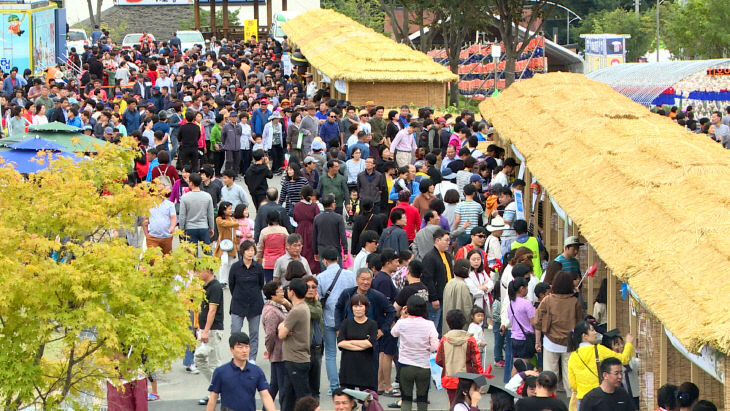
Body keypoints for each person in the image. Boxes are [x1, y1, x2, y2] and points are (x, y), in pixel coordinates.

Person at [316, 247, 356, 394]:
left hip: (329, 319)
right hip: (347, 320)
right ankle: (349, 383)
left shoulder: (320, 277)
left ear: (324, 261)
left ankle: (334, 386)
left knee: (331, 354)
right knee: (350, 351)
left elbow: (318, 299)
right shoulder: (349, 275)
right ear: (338, 259)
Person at [390, 295, 439, 411]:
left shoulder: (402, 323)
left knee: (406, 399)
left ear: (408, 308)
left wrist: (402, 317)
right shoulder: (429, 324)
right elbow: (435, 346)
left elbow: (393, 333)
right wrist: (427, 348)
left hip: (405, 365)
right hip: (423, 366)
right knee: (422, 400)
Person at [567, 321, 635, 405]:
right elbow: (624, 359)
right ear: (585, 336)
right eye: (592, 330)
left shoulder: (573, 356)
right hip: (599, 397)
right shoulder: (599, 350)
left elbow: (573, 384)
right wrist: (628, 343)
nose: (595, 332)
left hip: (582, 399)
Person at [205, 332, 277, 411]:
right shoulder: (221, 372)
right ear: (231, 349)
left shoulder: (256, 371)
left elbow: (265, 396)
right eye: (240, 347)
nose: (244, 351)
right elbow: (213, 398)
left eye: (247, 347)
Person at [436, 310, 488, 404]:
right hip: (466, 378)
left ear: (448, 323)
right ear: (464, 323)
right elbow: (476, 361)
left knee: (453, 403)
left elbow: (438, 359)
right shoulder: (470, 340)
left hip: (449, 377)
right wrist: (480, 381)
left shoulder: (444, 339)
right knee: (466, 403)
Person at [278, 278, 312, 411]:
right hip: (295, 358)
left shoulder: (296, 311)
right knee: (288, 396)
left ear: (291, 292)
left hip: (295, 358)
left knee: (303, 397)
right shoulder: (302, 307)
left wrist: (282, 326)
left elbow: (281, 334)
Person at [337, 294, 379, 391]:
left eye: (361, 306)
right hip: (348, 368)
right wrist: (362, 344)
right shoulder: (346, 323)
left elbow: (370, 344)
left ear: (366, 307)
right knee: (347, 400)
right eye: (355, 306)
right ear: (351, 308)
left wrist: (349, 342)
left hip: (366, 369)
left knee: (367, 402)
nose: (358, 309)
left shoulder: (372, 324)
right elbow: (340, 343)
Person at [194, 268, 224, 405]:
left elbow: (212, 310)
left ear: (208, 271)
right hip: (205, 329)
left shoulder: (215, 287)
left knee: (213, 363)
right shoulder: (204, 287)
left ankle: (217, 392)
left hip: (213, 329)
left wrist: (206, 330)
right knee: (200, 359)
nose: (197, 274)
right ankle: (217, 390)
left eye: (199, 271)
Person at [262, 280, 291, 408]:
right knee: (283, 389)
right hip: (279, 354)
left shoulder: (279, 306)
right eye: (279, 291)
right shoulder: (271, 312)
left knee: (274, 386)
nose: (282, 293)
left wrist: (287, 303)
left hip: (280, 353)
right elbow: (270, 335)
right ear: (272, 295)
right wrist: (270, 350)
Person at [422, 228, 454, 334]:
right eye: (446, 240)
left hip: (447, 297)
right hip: (436, 299)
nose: (448, 243)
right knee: (433, 327)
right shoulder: (430, 257)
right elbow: (428, 279)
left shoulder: (447, 255)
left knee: (443, 327)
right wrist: (433, 298)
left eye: (449, 240)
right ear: (437, 240)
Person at [179, 173, 215, 248]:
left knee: (191, 254)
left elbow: (182, 216)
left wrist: (181, 229)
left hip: (190, 228)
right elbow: (210, 214)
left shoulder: (185, 197)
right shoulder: (207, 196)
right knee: (207, 253)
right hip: (203, 227)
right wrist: (211, 228)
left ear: (191, 183)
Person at [313, 194, 348, 266]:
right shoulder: (338, 218)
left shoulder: (317, 218)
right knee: (337, 274)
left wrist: (315, 252)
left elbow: (314, 236)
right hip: (335, 251)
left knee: (324, 273)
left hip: (322, 250)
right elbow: (343, 235)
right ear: (332, 204)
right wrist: (345, 251)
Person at [257, 210, 291, 283]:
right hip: (282, 260)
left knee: (269, 284)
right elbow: (288, 246)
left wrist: (258, 259)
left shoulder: (264, 232)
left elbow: (260, 248)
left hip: (268, 262)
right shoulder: (283, 230)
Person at [442, 259, 475, 333]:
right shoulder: (463, 286)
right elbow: (467, 308)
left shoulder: (449, 283)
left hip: (448, 323)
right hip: (460, 326)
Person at [293, 186, 320, 274]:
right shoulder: (314, 205)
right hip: (312, 229)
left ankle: (302, 269)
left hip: (300, 229)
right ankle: (313, 270)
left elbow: (295, 217)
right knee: (312, 250)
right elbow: (317, 217)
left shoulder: (297, 205)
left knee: (302, 249)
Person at [214, 201, 240, 286]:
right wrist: (237, 223)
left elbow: (235, 230)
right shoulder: (219, 219)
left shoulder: (233, 219)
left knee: (230, 263)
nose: (231, 210)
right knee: (224, 261)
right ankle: (222, 280)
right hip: (223, 244)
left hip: (232, 243)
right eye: (229, 209)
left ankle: (228, 280)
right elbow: (226, 224)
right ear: (224, 210)